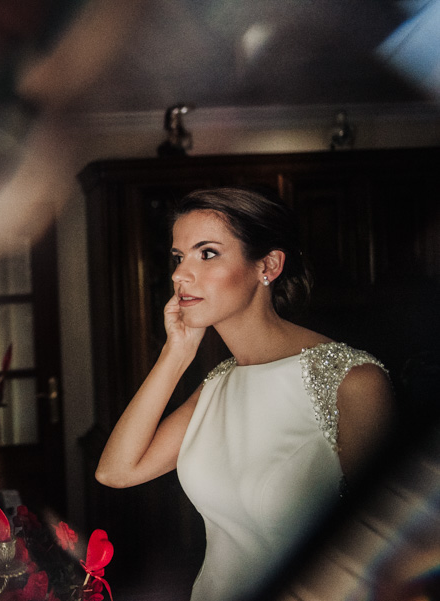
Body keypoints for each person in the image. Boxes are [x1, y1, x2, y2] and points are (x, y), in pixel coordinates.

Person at [95, 187, 395, 601]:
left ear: (268, 265)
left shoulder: (352, 382)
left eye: (207, 253)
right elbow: (116, 471)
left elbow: (386, 554)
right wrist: (175, 354)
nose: (180, 275)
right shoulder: (218, 384)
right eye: (179, 257)